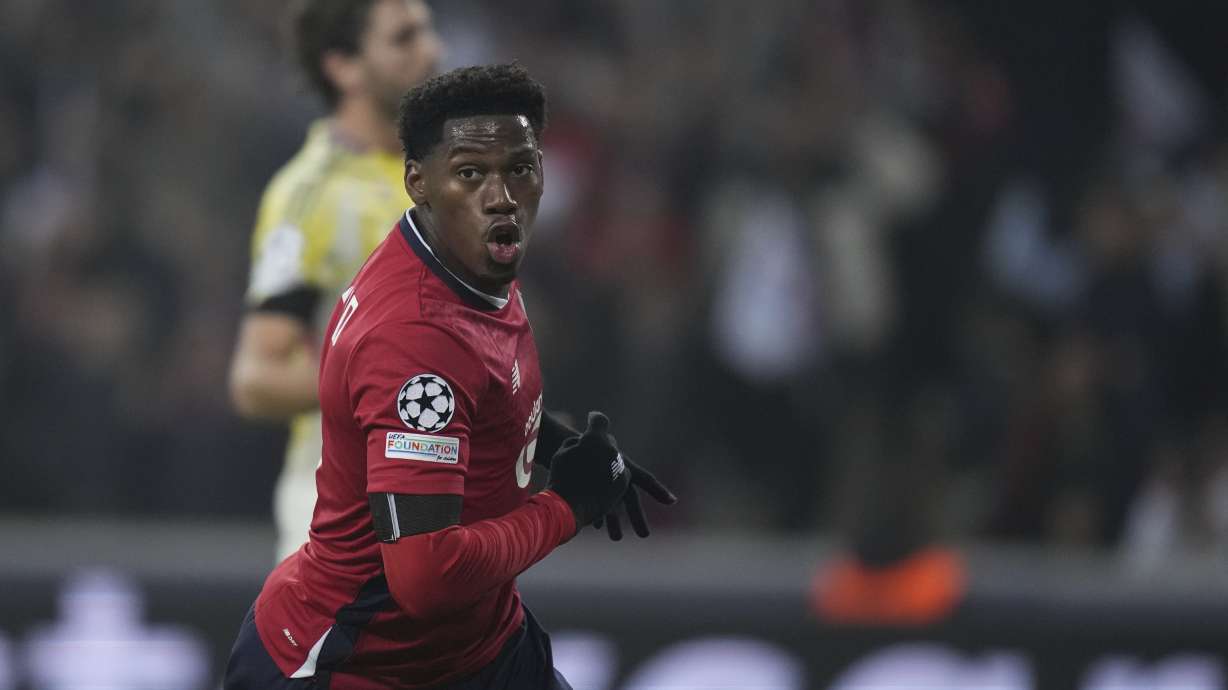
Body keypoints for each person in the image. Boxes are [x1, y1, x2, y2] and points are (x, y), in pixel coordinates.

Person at [223, 63, 677, 689]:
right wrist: (568, 506)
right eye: (470, 173)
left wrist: (557, 446)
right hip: (358, 665)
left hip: (480, 647)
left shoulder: (468, 257)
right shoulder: (415, 340)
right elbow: (426, 578)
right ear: (418, 182)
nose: (502, 195)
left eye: (521, 168)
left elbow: (481, 395)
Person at [228, 0, 443, 560]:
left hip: (443, 503)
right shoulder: (311, 195)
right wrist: (386, 377)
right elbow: (256, 377)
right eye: (404, 38)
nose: (432, 51)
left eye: (428, 31)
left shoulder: (446, 176)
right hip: (344, 515)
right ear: (344, 66)